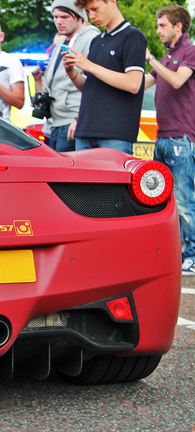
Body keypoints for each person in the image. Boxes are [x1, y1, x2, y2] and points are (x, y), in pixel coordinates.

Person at [143, 5, 195, 275]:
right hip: (161, 138)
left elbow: (177, 81)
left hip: (180, 139)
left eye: (162, 25)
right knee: (160, 199)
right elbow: (141, 85)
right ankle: (172, 252)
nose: (158, 30)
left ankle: (192, 255)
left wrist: (150, 59)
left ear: (178, 27)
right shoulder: (165, 59)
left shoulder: (190, 52)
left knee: (184, 202)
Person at [62, 0, 146, 154]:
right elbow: (90, 88)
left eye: (95, 9)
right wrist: (72, 72)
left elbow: (133, 84)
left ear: (112, 2)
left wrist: (89, 65)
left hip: (114, 134)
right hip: (85, 130)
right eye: (88, 12)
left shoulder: (133, 36)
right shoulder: (97, 41)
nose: (91, 16)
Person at [32, 0, 99, 152]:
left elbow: (95, 86)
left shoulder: (91, 39)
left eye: (64, 17)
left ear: (80, 17)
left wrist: (79, 118)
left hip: (73, 123)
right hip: (55, 123)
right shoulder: (62, 42)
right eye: (55, 17)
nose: (58, 22)